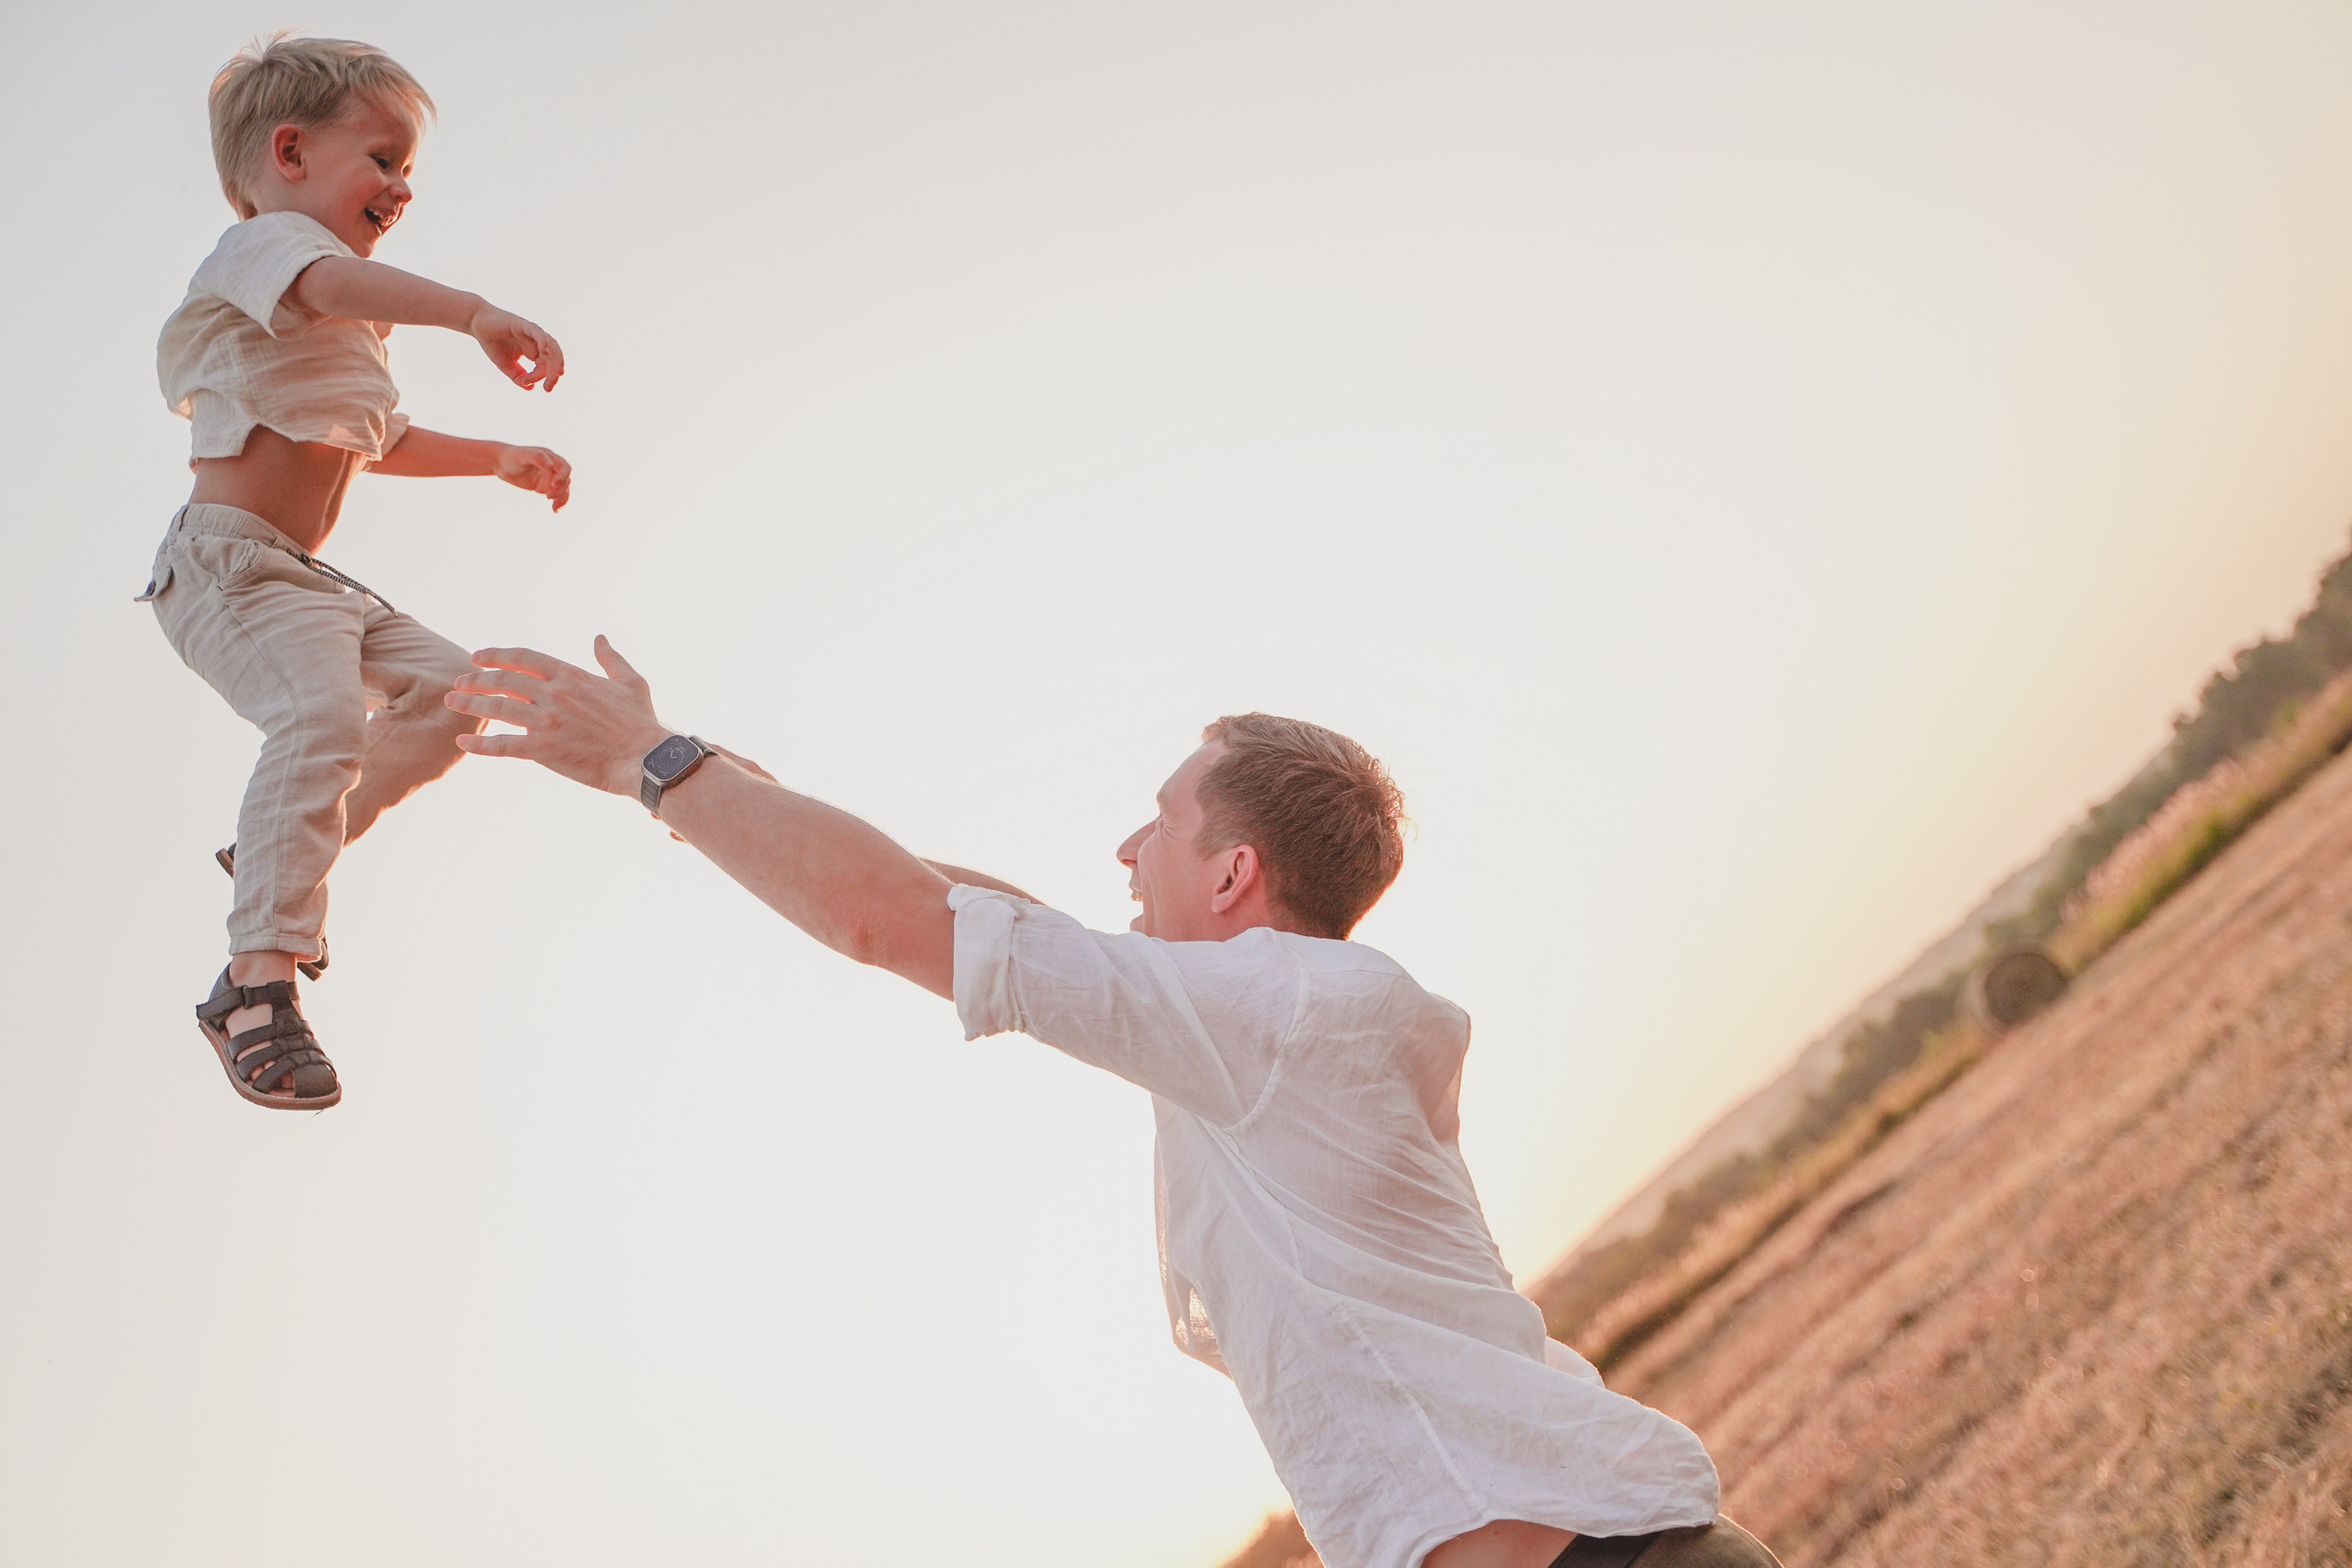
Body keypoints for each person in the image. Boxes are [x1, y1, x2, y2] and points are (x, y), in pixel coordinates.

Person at [440, 637, 1783, 1568]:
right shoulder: (1277, 1023)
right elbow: (961, 907)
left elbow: (882, 917)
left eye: (1159, 820)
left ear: (1234, 875)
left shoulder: (1286, 1013)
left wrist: (653, 763)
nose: (1126, 848)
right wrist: (709, 776)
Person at [143, 35, 572, 1110]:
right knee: (322, 718)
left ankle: (274, 848)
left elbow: (383, 436)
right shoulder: (265, 250)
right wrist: (474, 310)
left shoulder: (345, 316)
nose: (401, 187)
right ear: (287, 151)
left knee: (458, 692)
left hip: (312, 585)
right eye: (381, 159)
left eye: (407, 170)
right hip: (227, 573)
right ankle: (256, 989)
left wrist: (497, 460)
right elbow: (335, 275)